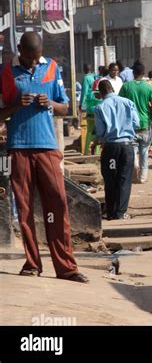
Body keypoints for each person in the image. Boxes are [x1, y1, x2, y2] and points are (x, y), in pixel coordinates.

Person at [0, 33, 88, 282]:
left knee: (58, 205)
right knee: (24, 209)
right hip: (18, 147)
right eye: (28, 57)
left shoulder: (51, 68)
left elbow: (65, 107)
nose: (32, 62)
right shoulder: (5, 71)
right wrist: (16, 105)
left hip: (47, 146)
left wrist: (49, 102)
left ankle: (66, 267)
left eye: (36, 57)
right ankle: (32, 264)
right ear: (19, 50)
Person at [94, 80, 139, 220]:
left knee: (110, 179)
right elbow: (136, 123)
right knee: (124, 179)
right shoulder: (127, 102)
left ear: (101, 93)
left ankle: (111, 212)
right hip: (127, 146)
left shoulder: (100, 107)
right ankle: (121, 213)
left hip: (110, 148)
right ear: (112, 88)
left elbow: (100, 131)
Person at [119, 62, 152, 183]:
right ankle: (142, 177)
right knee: (144, 152)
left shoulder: (126, 86)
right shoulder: (148, 87)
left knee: (133, 150)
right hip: (145, 123)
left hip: (130, 125)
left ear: (133, 73)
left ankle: (135, 168)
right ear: (143, 74)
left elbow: (121, 104)